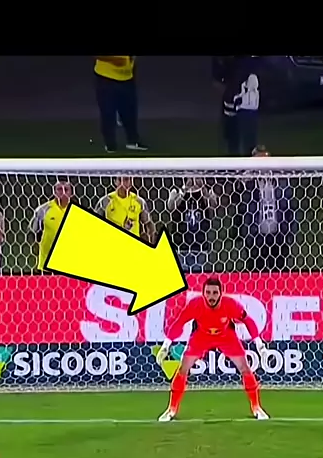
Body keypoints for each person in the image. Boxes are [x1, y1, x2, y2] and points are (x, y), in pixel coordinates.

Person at [156, 277, 269, 421]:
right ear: (203, 293)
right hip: (201, 336)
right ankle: (171, 410)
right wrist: (166, 346)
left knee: (245, 368)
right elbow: (179, 323)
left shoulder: (230, 304)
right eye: (208, 293)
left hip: (226, 336)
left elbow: (248, 321)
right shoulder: (195, 305)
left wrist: (260, 345)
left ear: (221, 293)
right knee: (183, 368)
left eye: (215, 293)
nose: (211, 297)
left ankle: (256, 408)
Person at [94, 56, 147, 153]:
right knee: (108, 112)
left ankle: (132, 141)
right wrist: (114, 60)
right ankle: (110, 144)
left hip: (127, 78)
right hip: (106, 78)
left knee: (130, 111)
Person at [213, 56, 260, 156]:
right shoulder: (238, 65)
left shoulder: (244, 65)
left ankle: (244, 156)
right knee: (236, 142)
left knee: (242, 142)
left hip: (244, 107)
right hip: (239, 107)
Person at [167, 177, 218, 272]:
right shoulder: (176, 188)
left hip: (200, 247)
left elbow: (213, 206)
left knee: (197, 276)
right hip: (180, 246)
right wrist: (184, 189)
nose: (193, 179)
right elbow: (171, 206)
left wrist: (203, 189)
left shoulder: (208, 189)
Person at [95, 176, 156, 243]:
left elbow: (149, 224)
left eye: (126, 179)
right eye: (120, 180)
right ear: (115, 182)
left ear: (131, 182)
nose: (122, 183)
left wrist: (151, 242)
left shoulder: (139, 201)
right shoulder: (106, 201)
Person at [31, 180, 74, 271]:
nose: (62, 192)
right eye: (59, 189)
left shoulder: (77, 211)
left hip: (70, 265)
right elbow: (34, 233)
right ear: (54, 192)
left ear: (71, 193)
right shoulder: (43, 210)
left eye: (66, 189)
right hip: (46, 265)